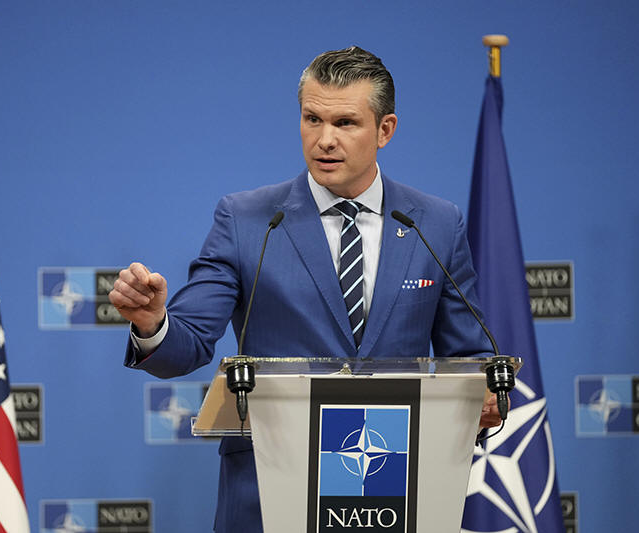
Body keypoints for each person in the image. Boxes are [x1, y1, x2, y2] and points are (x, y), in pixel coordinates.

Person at [109, 46, 504, 533]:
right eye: (312, 119)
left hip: (395, 488)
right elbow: (187, 343)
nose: (324, 140)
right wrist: (153, 323)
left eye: (345, 123)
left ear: (385, 130)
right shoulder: (247, 220)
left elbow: (469, 356)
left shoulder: (435, 223)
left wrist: (484, 393)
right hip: (271, 489)